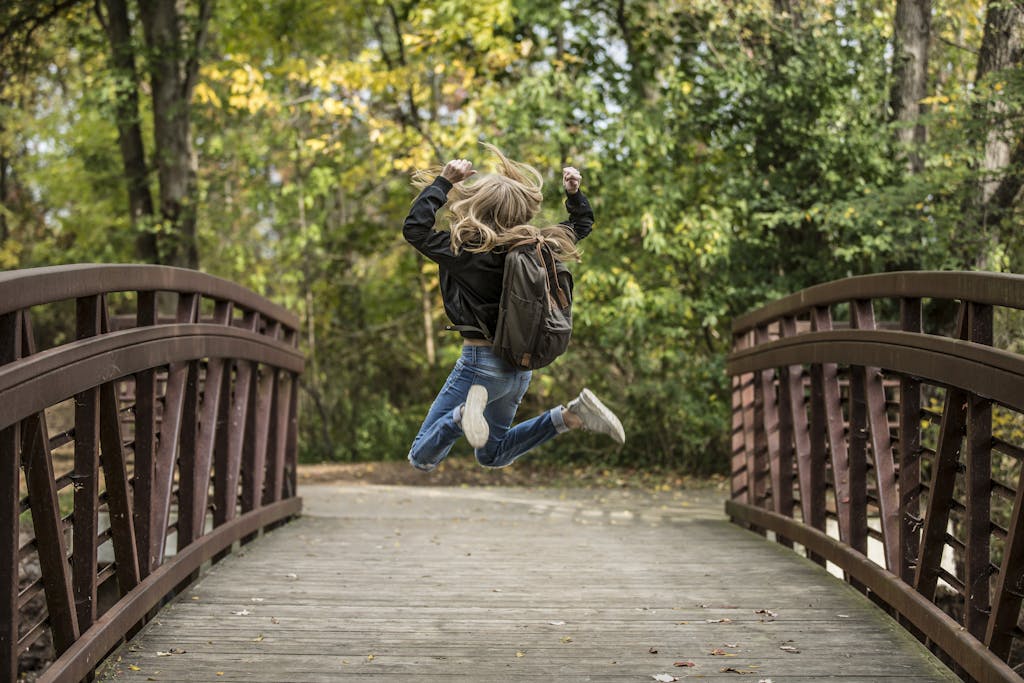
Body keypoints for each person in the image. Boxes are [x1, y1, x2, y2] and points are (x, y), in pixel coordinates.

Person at [402, 143, 625, 473]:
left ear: (479, 205)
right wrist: (574, 195)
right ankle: (571, 415)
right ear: (520, 209)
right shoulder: (539, 246)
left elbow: (415, 229)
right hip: (518, 368)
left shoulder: (465, 251)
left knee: (421, 457)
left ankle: (462, 416)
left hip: (479, 366)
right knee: (492, 454)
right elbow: (581, 225)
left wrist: (444, 182)